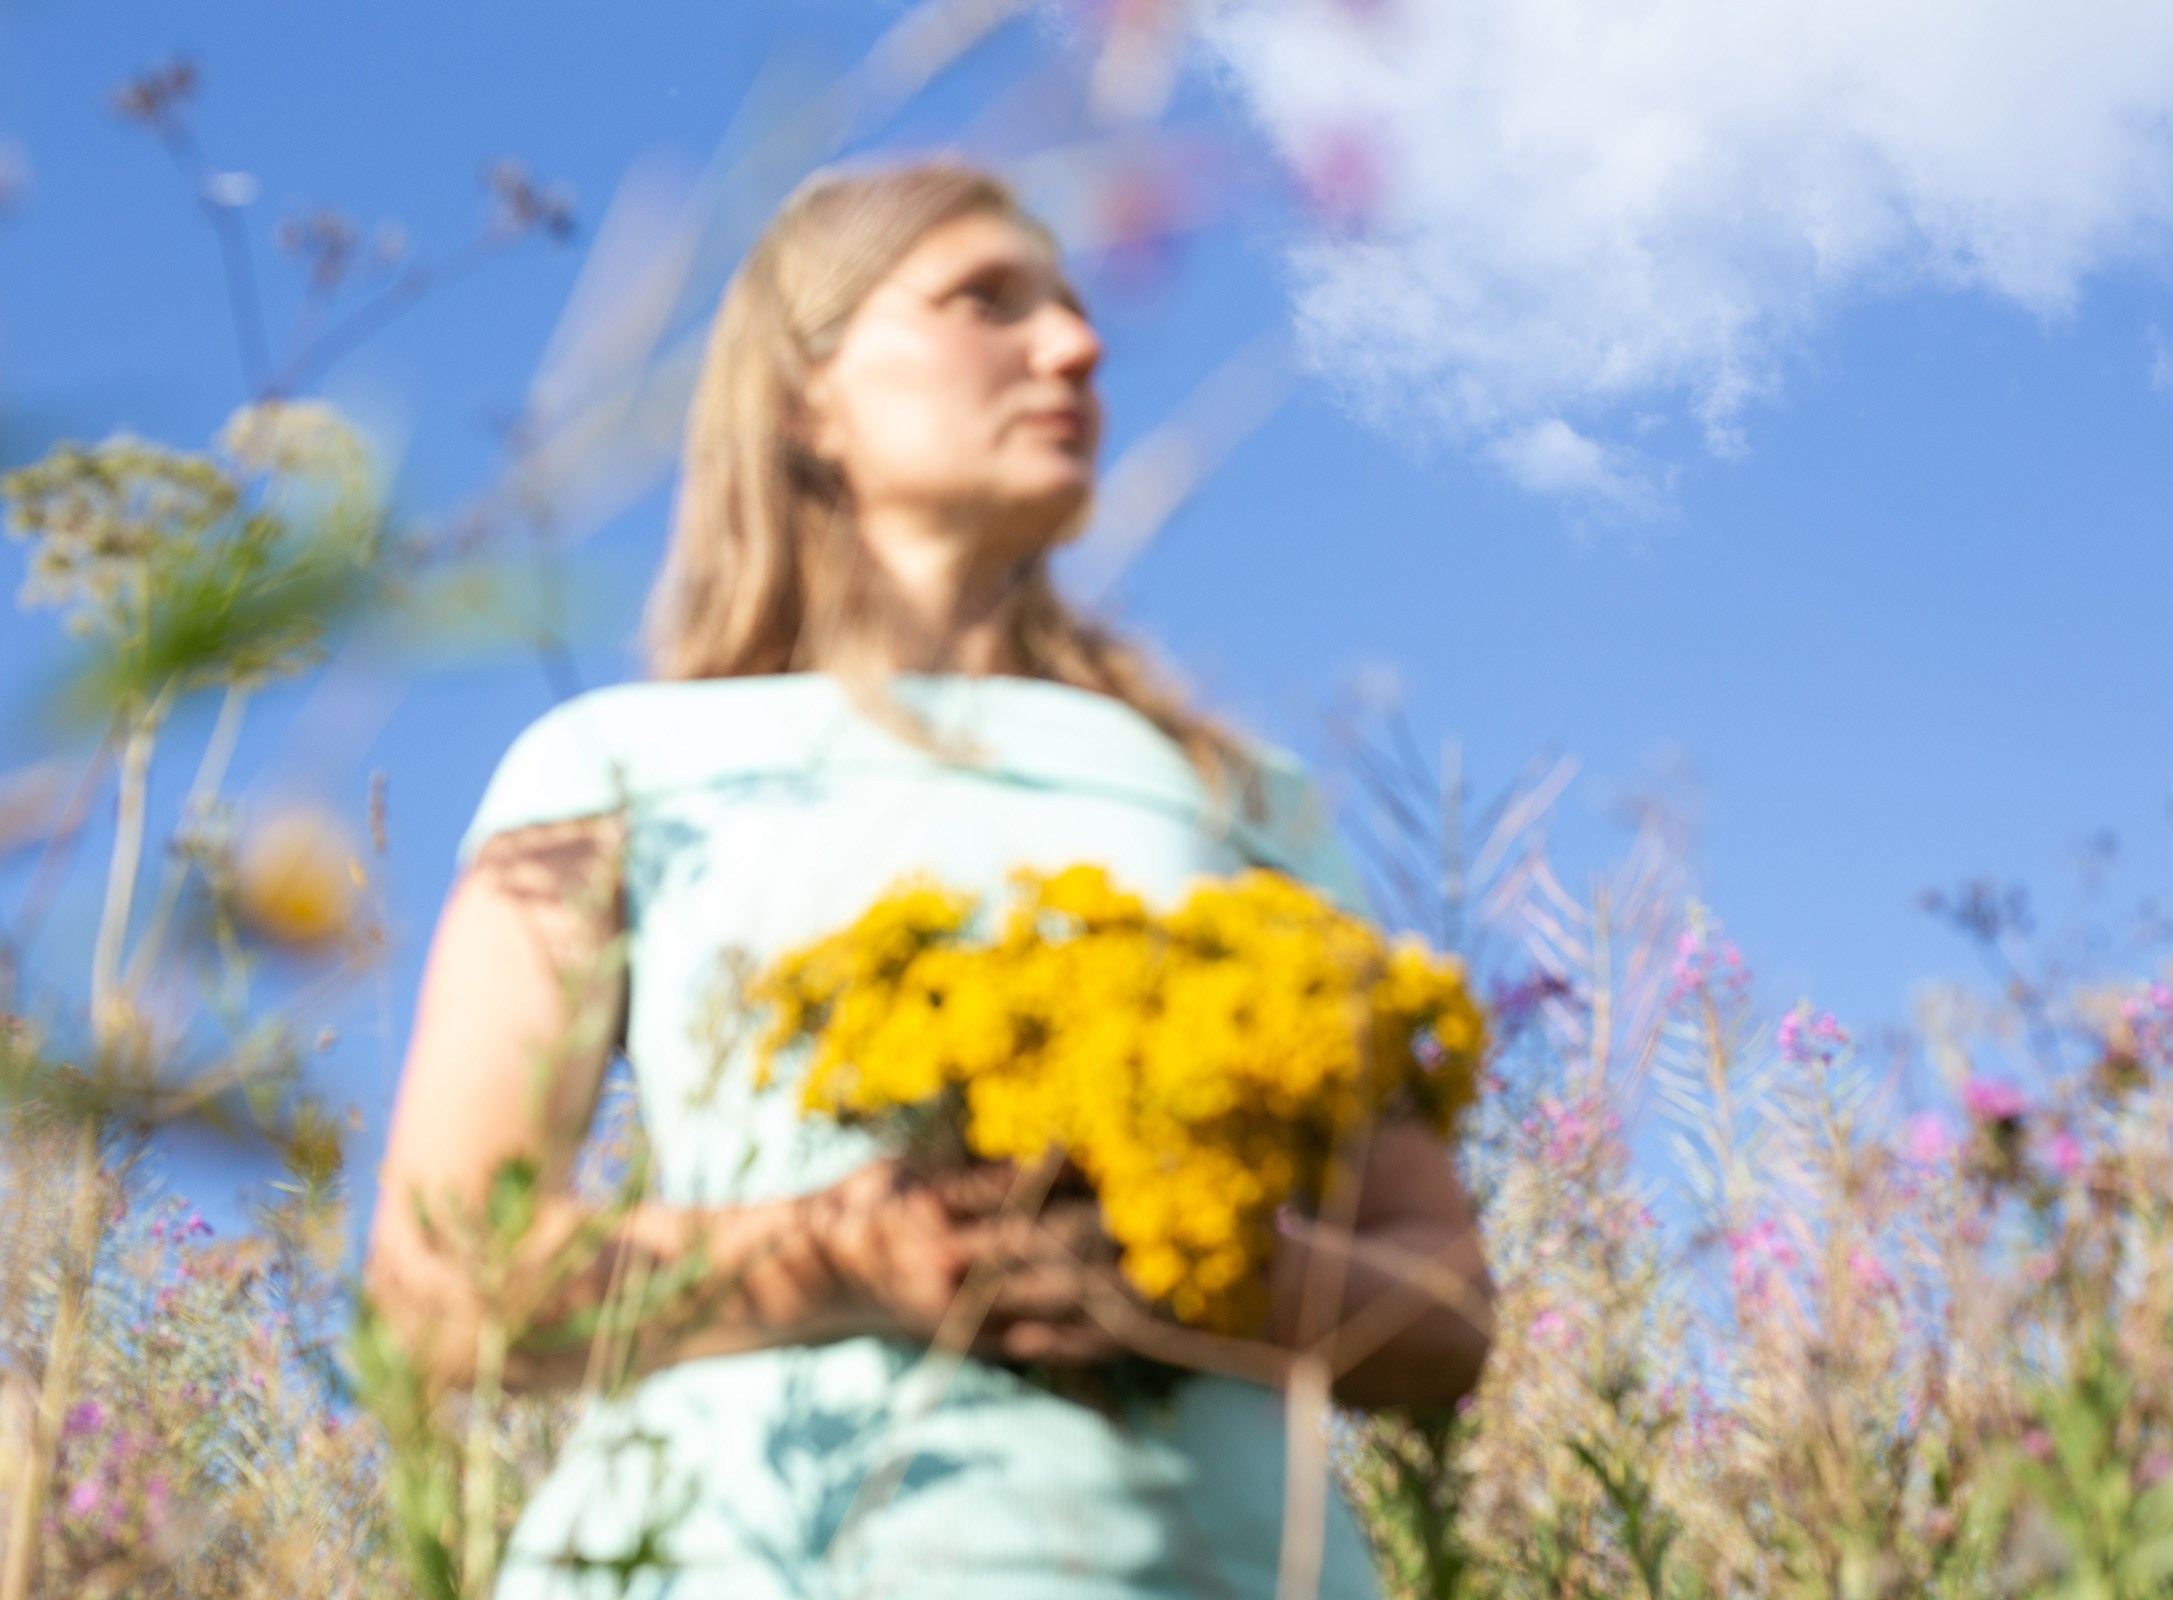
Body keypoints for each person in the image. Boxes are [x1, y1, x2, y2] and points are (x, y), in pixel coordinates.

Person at [364, 160, 1492, 1600]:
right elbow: (442, 1290)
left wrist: (1188, 1272)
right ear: (802, 398)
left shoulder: (1239, 798)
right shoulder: (611, 766)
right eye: (984, 301)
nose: (1076, 350)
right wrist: (843, 1255)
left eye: (1079, 314)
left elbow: (1446, 1305)